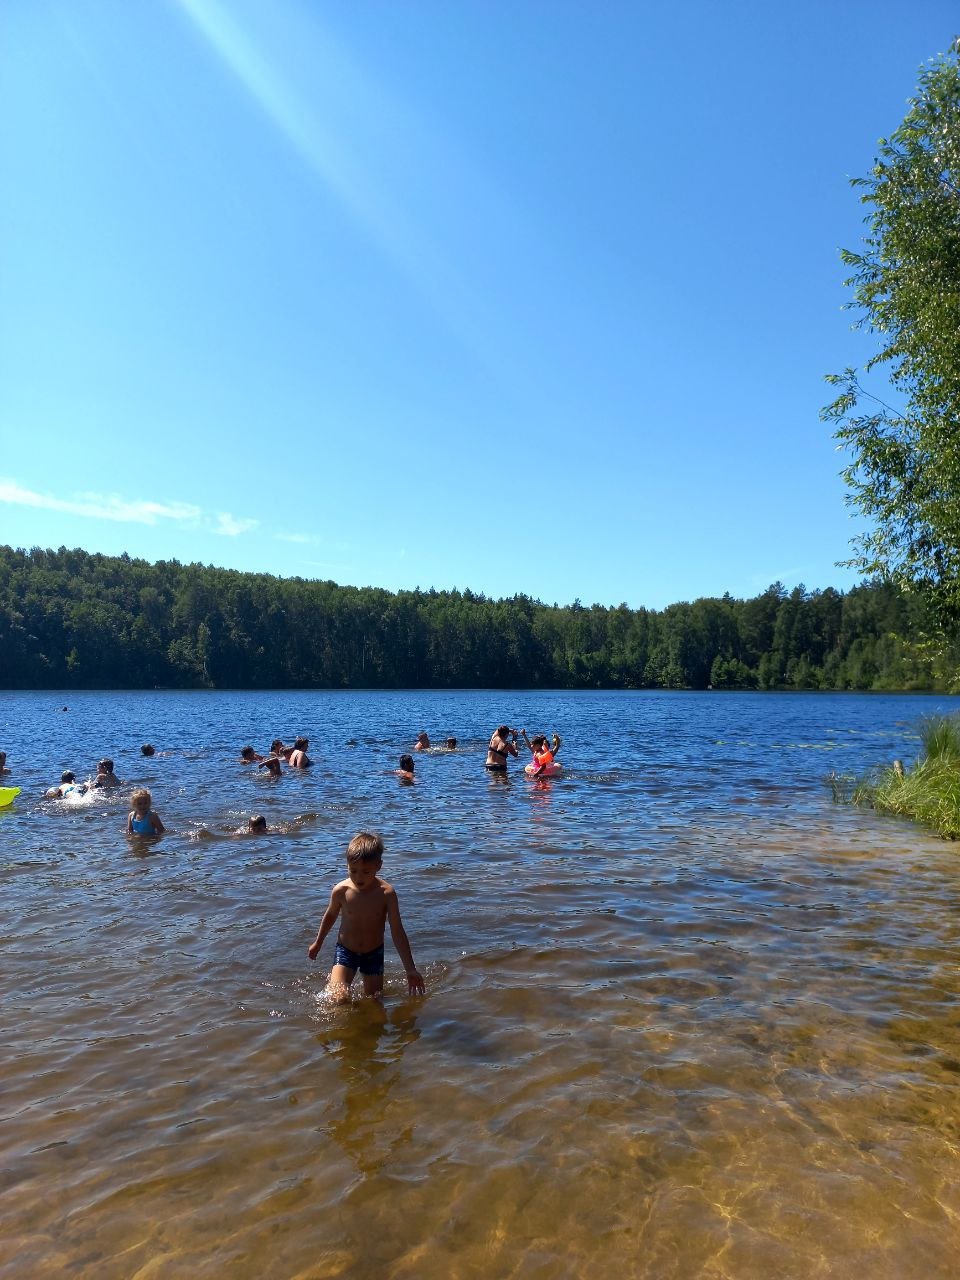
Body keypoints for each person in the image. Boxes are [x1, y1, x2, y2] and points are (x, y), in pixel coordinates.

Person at [307, 831, 425, 1003]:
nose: (358, 877)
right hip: (346, 951)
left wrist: (410, 969)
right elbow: (330, 916)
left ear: (379, 866)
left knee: (374, 1001)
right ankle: (336, 985)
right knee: (337, 999)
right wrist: (318, 942)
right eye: (353, 871)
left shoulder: (387, 894)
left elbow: (397, 931)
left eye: (366, 871)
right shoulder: (341, 891)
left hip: (373, 953)